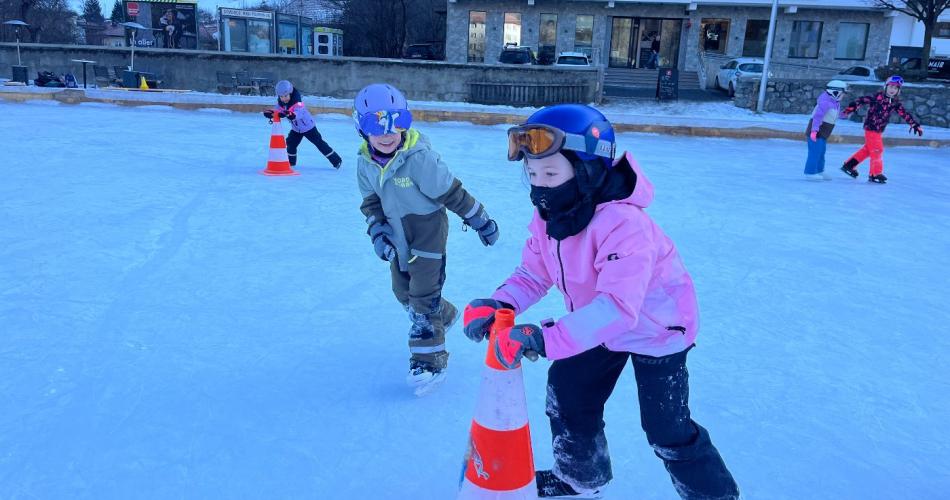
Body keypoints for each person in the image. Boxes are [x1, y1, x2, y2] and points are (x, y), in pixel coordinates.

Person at [463, 104, 739, 499]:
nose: (540, 187)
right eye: (533, 175)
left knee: (666, 428)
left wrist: (544, 338)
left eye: (551, 174)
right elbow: (534, 274)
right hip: (595, 322)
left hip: (656, 329)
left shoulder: (625, 225)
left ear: (588, 170)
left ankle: (715, 495)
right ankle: (580, 477)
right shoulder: (551, 218)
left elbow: (618, 308)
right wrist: (500, 304)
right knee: (569, 394)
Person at [354, 83, 499, 395]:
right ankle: (443, 315)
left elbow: (452, 193)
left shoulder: (419, 160)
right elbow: (371, 204)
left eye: (397, 122)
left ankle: (429, 362)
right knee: (402, 291)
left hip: (428, 232)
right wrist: (377, 233)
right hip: (397, 236)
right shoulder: (365, 163)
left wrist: (480, 220)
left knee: (422, 299)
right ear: (361, 129)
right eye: (375, 125)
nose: (387, 133)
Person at [839, 75, 923, 184]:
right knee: (877, 149)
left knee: (868, 150)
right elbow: (861, 100)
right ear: (886, 87)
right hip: (871, 127)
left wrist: (914, 124)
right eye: (891, 87)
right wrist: (853, 106)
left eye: (896, 88)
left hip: (878, 130)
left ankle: (849, 165)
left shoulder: (895, 103)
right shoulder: (876, 98)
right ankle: (875, 174)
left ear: (898, 90)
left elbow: (904, 114)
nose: (893, 90)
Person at [262, 80, 342, 169]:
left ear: (290, 93)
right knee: (291, 143)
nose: (284, 99)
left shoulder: (298, 103)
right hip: (296, 129)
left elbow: (299, 113)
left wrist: (292, 115)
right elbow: (277, 110)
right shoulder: (282, 104)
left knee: (319, 143)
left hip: (308, 128)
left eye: (286, 96)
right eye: (281, 97)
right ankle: (290, 162)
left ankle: (336, 160)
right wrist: (271, 113)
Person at [803, 80, 847, 181]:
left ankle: (819, 170)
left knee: (821, 152)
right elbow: (817, 117)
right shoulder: (825, 102)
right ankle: (810, 172)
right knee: (815, 152)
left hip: (823, 133)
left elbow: (833, 114)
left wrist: (843, 114)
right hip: (816, 131)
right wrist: (814, 131)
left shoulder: (835, 102)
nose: (843, 96)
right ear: (835, 92)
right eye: (843, 93)